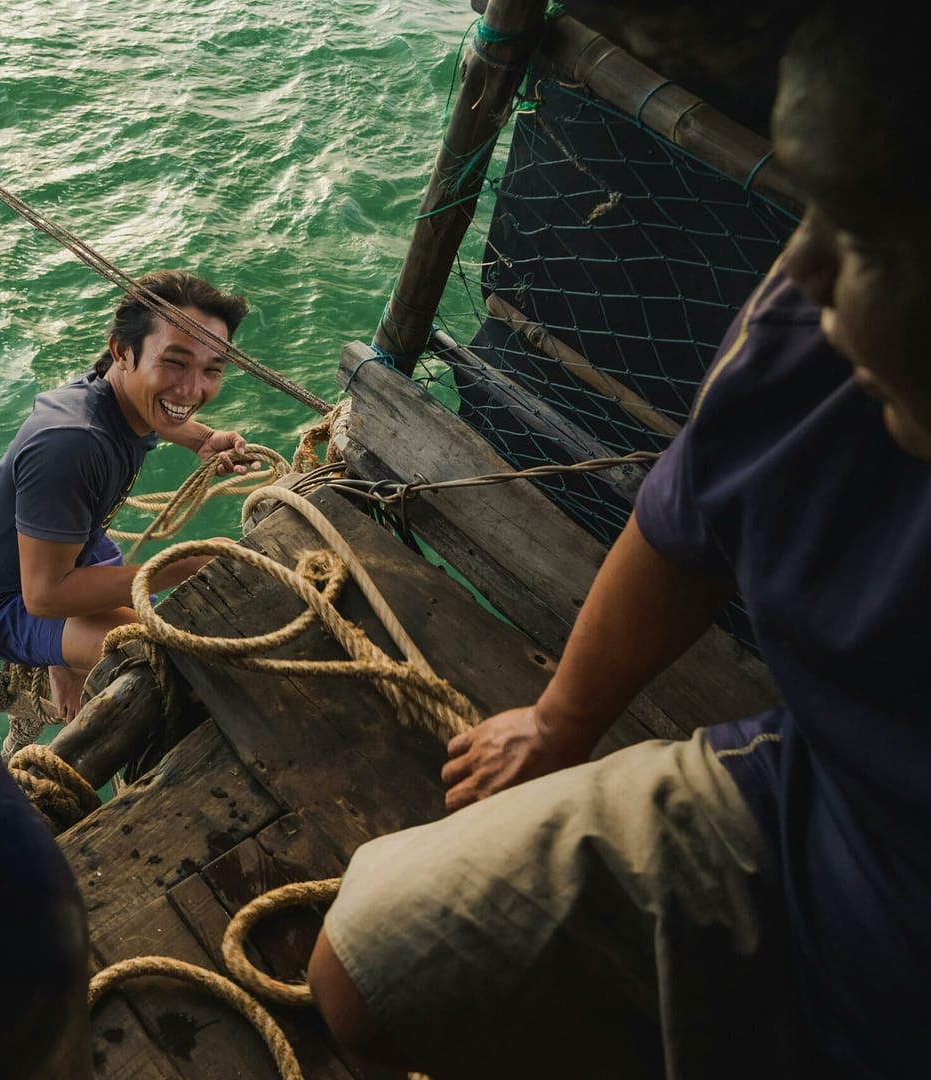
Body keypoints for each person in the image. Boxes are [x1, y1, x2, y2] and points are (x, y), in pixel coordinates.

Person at [307, 6, 929, 1077]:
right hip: (823, 826)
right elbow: (692, 521)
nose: (805, 280)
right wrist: (557, 721)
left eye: (868, 241)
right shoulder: (813, 334)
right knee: (367, 961)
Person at [0, 270, 252, 720]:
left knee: (175, 628)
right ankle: (61, 656)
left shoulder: (122, 397)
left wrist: (202, 438)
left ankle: (68, 649)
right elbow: (43, 598)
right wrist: (178, 565)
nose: (191, 389)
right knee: (174, 658)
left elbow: (169, 408)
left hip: (74, 544)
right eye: (175, 362)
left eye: (211, 370)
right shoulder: (73, 444)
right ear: (122, 352)